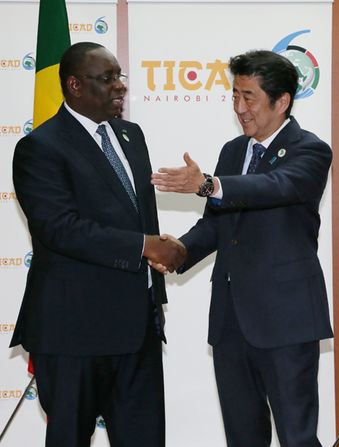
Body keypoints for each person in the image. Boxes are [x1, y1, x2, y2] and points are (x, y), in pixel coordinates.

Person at [151, 50, 333, 447]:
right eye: (234, 95)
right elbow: (218, 225)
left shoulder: (310, 150)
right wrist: (179, 249)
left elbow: (276, 187)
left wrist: (209, 185)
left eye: (248, 97)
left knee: (297, 438)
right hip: (231, 322)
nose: (239, 108)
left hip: (286, 322)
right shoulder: (234, 151)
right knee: (242, 438)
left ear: (281, 101)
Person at [10, 42, 185, 447]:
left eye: (119, 77)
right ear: (74, 85)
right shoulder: (40, 147)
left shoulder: (130, 135)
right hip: (74, 332)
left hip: (138, 330)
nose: (119, 87)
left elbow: (138, 217)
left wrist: (156, 254)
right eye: (107, 79)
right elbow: (59, 229)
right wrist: (144, 246)